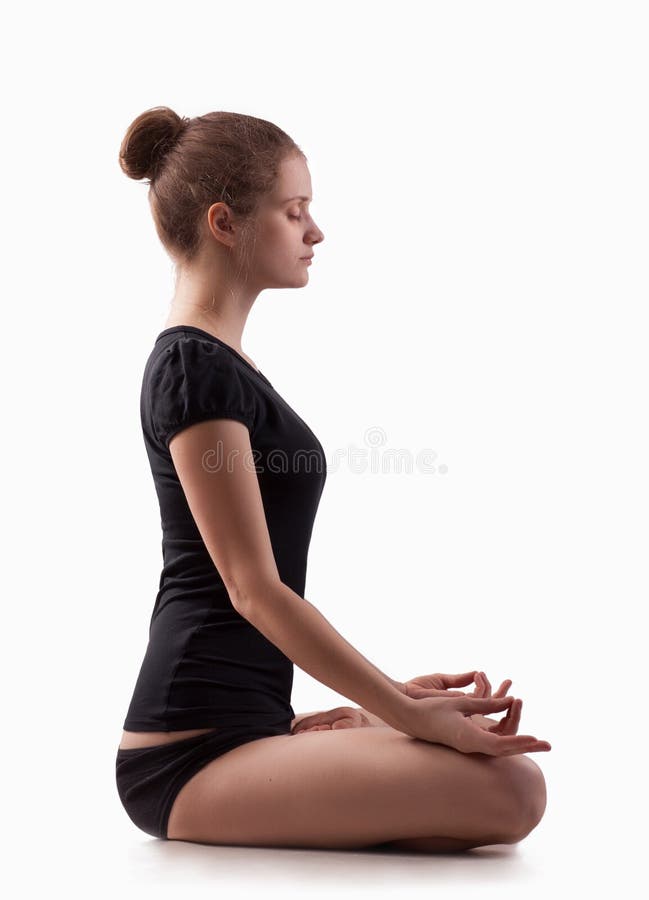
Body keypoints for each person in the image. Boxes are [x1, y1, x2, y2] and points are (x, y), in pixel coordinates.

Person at [115, 105, 551, 852]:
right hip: (185, 755)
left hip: (253, 727)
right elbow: (252, 589)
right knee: (510, 792)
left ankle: (328, 734)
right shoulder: (193, 371)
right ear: (225, 222)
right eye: (294, 211)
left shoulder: (225, 368)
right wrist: (401, 715)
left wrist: (385, 702)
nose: (314, 231)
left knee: (504, 785)